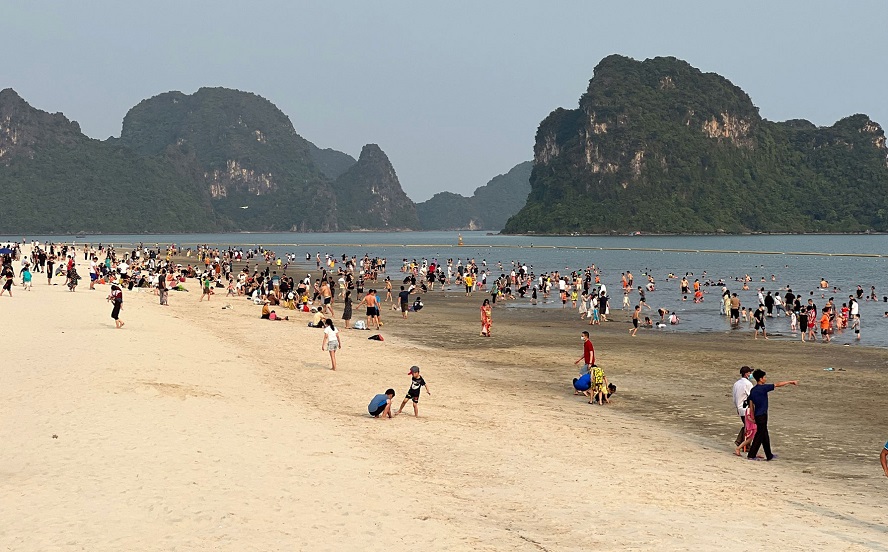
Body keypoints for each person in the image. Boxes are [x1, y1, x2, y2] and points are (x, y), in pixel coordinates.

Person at [746, 369, 799, 461]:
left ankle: (769, 455)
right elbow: (777, 384)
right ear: (760, 379)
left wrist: (752, 416)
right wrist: (790, 382)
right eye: (764, 377)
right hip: (762, 415)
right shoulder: (763, 388)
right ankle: (751, 455)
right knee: (760, 435)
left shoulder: (753, 390)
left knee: (764, 435)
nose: (765, 379)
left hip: (758, 415)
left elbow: (751, 403)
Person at [732, 366, 754, 453]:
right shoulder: (748, 384)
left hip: (740, 407)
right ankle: (744, 444)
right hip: (746, 408)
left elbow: (734, 398)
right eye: (749, 373)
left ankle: (742, 443)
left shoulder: (736, 384)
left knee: (746, 426)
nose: (751, 374)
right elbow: (751, 396)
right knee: (750, 427)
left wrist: (737, 407)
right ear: (746, 374)